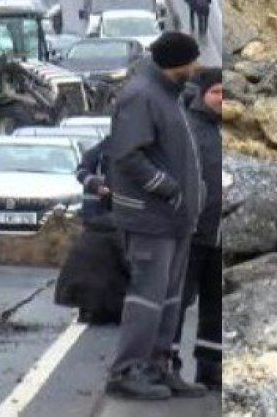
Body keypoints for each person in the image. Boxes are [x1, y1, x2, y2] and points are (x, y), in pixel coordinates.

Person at [104, 32, 207, 401]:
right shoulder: (141, 95)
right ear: (175, 63)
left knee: (169, 298)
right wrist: (167, 187)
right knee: (146, 296)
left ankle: (158, 366)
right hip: (150, 218)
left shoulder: (169, 94)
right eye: (192, 61)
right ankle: (127, 370)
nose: (196, 68)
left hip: (175, 219)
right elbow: (128, 155)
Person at [171, 68, 223, 391]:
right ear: (203, 94)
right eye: (217, 92)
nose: (223, 99)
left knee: (215, 304)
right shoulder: (188, 128)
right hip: (192, 233)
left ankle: (210, 366)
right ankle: (169, 364)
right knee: (178, 301)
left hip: (221, 234)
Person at [55, 137, 127, 326]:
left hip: (112, 215)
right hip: (100, 214)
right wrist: (96, 184)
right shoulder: (102, 150)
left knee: (102, 261)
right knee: (103, 260)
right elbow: (81, 171)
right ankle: (103, 307)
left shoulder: (130, 148)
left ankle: (96, 307)